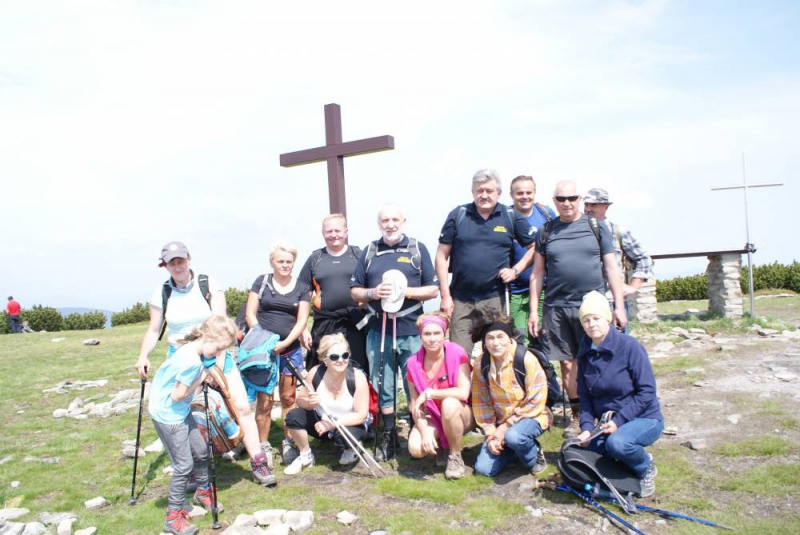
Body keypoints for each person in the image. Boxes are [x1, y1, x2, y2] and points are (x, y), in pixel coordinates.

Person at [135, 241, 275, 487]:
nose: (177, 266)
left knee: (241, 407)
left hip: (217, 352)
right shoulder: (162, 292)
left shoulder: (207, 284)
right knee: (186, 414)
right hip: (182, 360)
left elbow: (220, 325)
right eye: (172, 262)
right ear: (165, 265)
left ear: (188, 258)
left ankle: (258, 461)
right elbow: (154, 328)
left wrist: (214, 366)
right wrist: (143, 356)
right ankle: (193, 471)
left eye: (180, 260)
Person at [527, 181, 627, 439]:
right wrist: (533, 312)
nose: (567, 203)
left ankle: (608, 412)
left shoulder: (596, 226)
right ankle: (576, 416)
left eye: (572, 198)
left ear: (579, 199)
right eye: (561, 199)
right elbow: (537, 273)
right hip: (556, 307)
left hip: (592, 306)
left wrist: (619, 306)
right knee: (568, 365)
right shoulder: (546, 230)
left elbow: (612, 267)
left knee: (601, 360)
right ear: (554, 200)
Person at [350, 204, 439, 461]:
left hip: (411, 329)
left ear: (404, 221)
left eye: (395, 219)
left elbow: (432, 289)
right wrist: (372, 293)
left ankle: (416, 427)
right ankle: (388, 434)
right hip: (378, 328)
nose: (390, 224)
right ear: (379, 223)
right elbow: (355, 289)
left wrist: (405, 292)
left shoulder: (417, 248)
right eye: (385, 220)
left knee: (414, 382)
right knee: (383, 382)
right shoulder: (369, 251)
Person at [148, 315, 237, 535]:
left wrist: (201, 373)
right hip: (169, 415)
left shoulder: (190, 350)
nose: (217, 354)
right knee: (183, 466)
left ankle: (203, 492)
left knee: (201, 450)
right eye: (217, 349)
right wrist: (201, 377)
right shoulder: (190, 362)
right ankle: (173, 517)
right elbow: (178, 395)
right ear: (207, 337)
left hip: (179, 411)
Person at [435, 169, 536, 358]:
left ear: (499, 193)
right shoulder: (459, 215)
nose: (484, 195)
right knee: (459, 357)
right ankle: (464, 389)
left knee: (496, 354)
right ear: (472, 192)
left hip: (494, 299)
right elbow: (441, 255)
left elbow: (535, 247)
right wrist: (445, 295)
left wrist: (515, 270)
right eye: (479, 191)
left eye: (489, 191)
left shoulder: (509, 215)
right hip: (460, 300)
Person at [575, 290, 663, 497]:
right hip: (608, 422)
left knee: (618, 444)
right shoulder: (585, 352)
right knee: (587, 451)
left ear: (608, 319)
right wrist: (587, 428)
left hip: (644, 417)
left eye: (596, 318)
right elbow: (585, 397)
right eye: (586, 320)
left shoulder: (630, 346)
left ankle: (645, 467)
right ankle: (624, 469)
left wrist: (620, 421)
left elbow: (647, 391)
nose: (592, 324)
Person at [246, 243, 311, 467]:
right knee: (264, 401)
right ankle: (263, 446)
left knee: (288, 398)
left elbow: (302, 319)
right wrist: (264, 340)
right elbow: (250, 314)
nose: (285, 265)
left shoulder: (302, 287)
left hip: (289, 349)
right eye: (280, 261)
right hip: (262, 350)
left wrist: (286, 342)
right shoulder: (261, 282)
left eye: (289, 261)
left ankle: (288, 442)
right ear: (272, 262)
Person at [471, 313, 550, 477]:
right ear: (484, 342)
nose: (495, 343)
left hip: (532, 415)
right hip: (500, 422)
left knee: (514, 436)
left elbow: (536, 401)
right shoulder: (481, 363)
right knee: (483, 469)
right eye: (490, 338)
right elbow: (481, 401)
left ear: (509, 338)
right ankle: (512, 449)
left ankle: (534, 457)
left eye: (501, 337)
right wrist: (491, 434)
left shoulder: (526, 359)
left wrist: (504, 430)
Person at [282, 333, 370, 474]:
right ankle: (305, 455)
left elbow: (360, 415)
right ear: (324, 359)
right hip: (321, 425)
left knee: (343, 438)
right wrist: (310, 403)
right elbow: (300, 400)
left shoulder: (357, 377)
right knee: (293, 417)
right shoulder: (315, 373)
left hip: (349, 424)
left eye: (345, 355)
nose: (341, 360)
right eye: (334, 357)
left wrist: (331, 423)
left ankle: (351, 448)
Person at [406, 312, 473, 480]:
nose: (432, 338)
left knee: (449, 404)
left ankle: (455, 455)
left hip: (461, 412)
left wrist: (430, 393)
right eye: (427, 334)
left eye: (437, 333)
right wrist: (424, 431)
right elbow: (414, 403)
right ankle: (442, 444)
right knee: (415, 449)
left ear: (445, 334)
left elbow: (463, 392)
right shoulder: (413, 363)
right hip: (432, 415)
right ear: (420, 336)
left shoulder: (457, 353)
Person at [298, 214, 367, 372]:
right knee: (323, 369)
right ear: (323, 233)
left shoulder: (358, 255)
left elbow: (372, 287)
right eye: (329, 231)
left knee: (357, 371)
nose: (334, 235)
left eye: (337, 230)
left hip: (355, 324)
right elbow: (303, 295)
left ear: (346, 232)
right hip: (325, 324)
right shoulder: (315, 258)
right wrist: (303, 329)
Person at [583, 187, 653, 330]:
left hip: (612, 303)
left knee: (616, 349)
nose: (589, 209)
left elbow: (643, 259)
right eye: (587, 204)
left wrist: (633, 286)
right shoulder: (578, 232)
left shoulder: (618, 231)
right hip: (585, 303)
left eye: (594, 205)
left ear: (606, 206)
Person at [507, 176, 556, 344]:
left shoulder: (547, 214)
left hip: (544, 287)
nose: (525, 197)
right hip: (516, 289)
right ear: (511, 195)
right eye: (520, 193)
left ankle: (541, 370)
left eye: (529, 192)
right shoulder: (505, 217)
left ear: (535, 193)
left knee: (541, 337)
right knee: (519, 338)